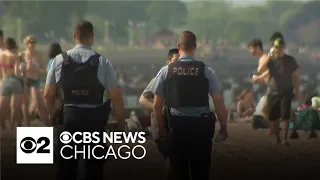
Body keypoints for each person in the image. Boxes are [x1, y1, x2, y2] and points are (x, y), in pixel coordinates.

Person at [44, 20, 125, 180]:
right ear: (92, 36)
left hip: (69, 120)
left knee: (66, 170)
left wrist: (53, 115)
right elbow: (116, 97)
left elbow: (47, 94)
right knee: (94, 171)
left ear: (74, 36)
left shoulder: (59, 60)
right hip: (94, 122)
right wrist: (121, 125)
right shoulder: (102, 61)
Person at [152, 31, 228, 180]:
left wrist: (161, 131)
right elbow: (218, 101)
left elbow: (156, 105)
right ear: (195, 47)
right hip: (201, 130)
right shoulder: (206, 70)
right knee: (201, 174)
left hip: (177, 129)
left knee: (179, 173)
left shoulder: (166, 71)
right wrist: (224, 127)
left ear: (178, 47)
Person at [139, 48, 179, 179]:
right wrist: (159, 109)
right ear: (168, 62)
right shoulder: (160, 78)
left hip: (175, 123)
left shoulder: (184, 80)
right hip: (161, 123)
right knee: (172, 158)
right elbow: (143, 99)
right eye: (175, 61)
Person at [257, 38, 300, 146]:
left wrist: (297, 91)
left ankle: (285, 139)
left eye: (280, 47)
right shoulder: (271, 60)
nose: (279, 49)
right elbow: (260, 70)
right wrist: (268, 58)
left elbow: (296, 76)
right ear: (274, 48)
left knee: (285, 116)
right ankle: (277, 139)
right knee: (273, 117)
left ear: (284, 47)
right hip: (273, 91)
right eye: (277, 47)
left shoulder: (290, 60)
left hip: (287, 90)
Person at [20, 35, 49, 126]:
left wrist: (36, 69)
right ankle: (27, 124)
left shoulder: (39, 55)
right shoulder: (22, 54)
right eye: (30, 42)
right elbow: (17, 69)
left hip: (35, 79)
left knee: (38, 102)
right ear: (26, 44)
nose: (32, 44)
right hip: (25, 79)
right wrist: (24, 69)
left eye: (34, 42)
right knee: (25, 103)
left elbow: (44, 70)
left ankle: (48, 124)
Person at [249, 38, 273, 134]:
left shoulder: (265, 58)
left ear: (258, 48)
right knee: (265, 110)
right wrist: (260, 80)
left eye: (251, 48)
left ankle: (274, 129)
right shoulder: (262, 59)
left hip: (274, 88)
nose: (250, 51)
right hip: (269, 87)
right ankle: (273, 129)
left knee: (264, 109)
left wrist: (259, 77)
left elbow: (271, 71)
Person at [0, 38, 24, 129]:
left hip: (5, 80)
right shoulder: (15, 56)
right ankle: (12, 127)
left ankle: (2, 125)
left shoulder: (1, 55)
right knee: (15, 107)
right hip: (15, 81)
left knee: (3, 105)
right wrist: (23, 74)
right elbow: (17, 72)